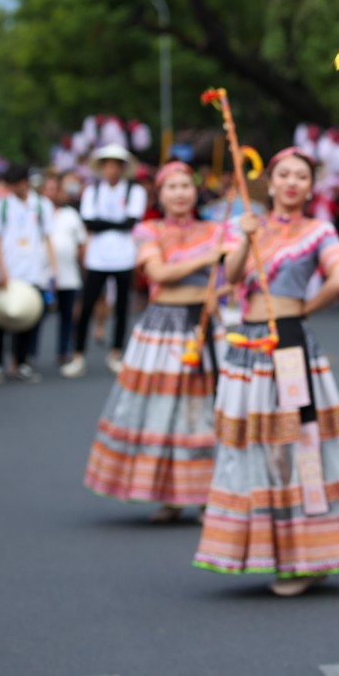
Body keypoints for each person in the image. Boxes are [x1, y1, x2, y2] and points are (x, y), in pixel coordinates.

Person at [193, 146, 339, 597]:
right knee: (255, 444)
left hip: (290, 344)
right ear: (270, 182)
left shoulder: (318, 230)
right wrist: (246, 239)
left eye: (301, 176)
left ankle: (308, 553)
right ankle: (270, 547)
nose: (292, 183)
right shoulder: (250, 226)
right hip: (248, 346)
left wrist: (301, 312)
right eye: (284, 175)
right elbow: (230, 277)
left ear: (310, 186)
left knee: (301, 442)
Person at [84, 163, 223, 522]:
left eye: (185, 185)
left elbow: (237, 273)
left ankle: (209, 495)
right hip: (163, 328)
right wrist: (210, 257)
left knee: (205, 410)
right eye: (171, 186)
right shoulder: (147, 230)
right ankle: (171, 496)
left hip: (205, 326)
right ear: (158, 196)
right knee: (163, 411)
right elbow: (158, 273)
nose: (179, 192)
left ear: (195, 191)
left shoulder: (216, 229)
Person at [63, 145, 148, 378]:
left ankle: (116, 353)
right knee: (88, 305)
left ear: (122, 168)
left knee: (121, 307)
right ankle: (78, 354)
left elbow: (131, 222)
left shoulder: (134, 191)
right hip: (97, 258)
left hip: (124, 257)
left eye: (115, 165)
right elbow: (90, 222)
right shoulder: (93, 191)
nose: (111, 170)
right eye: (107, 165)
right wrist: (115, 223)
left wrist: (106, 222)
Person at [0, 164, 57, 384]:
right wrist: (2, 270)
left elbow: (48, 238)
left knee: (29, 317)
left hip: (33, 270)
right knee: (0, 316)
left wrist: (53, 269)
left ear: (25, 182)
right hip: (9, 270)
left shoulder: (42, 205)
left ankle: (22, 362)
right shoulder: (1, 206)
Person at [44, 173, 87, 366]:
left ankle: (64, 351)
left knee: (67, 316)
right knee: (35, 316)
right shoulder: (35, 213)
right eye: (48, 189)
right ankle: (25, 357)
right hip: (42, 275)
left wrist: (82, 265)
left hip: (68, 275)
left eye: (55, 189)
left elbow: (81, 244)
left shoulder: (71, 214)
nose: (52, 193)